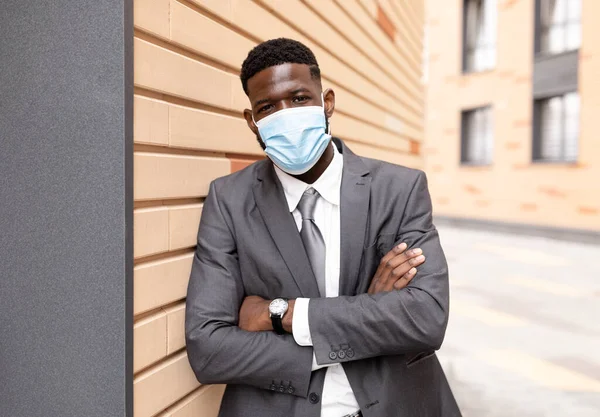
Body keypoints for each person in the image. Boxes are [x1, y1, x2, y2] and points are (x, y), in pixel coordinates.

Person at [185, 38, 461, 417]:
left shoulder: (399, 189)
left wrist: (280, 314)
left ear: (326, 101)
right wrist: (369, 309)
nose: (285, 114)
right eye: (268, 107)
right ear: (252, 121)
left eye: (299, 99)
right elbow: (209, 349)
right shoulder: (229, 200)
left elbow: (426, 317)